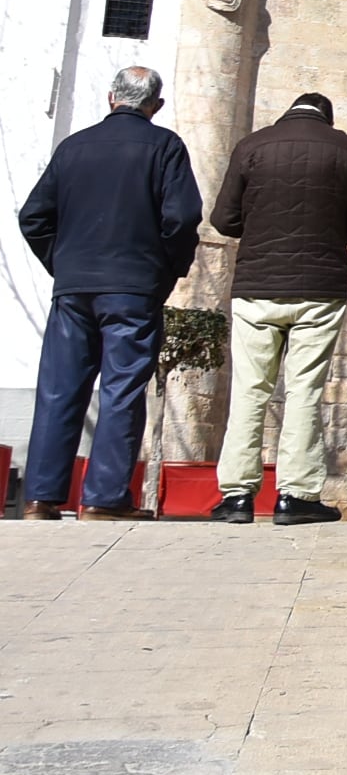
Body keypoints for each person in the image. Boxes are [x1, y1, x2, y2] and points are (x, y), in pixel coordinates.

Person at [16, 66, 203, 519]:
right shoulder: (165, 147)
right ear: (155, 106)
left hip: (75, 287)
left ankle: (40, 497)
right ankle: (103, 498)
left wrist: (62, 264)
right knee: (121, 389)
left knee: (59, 389)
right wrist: (167, 271)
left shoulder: (73, 146)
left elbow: (33, 217)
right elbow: (182, 217)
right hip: (134, 287)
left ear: (110, 98)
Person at [208, 91, 347, 526]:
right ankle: (297, 496)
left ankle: (237, 498)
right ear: (328, 118)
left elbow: (224, 220)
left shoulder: (251, 146)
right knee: (304, 390)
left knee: (250, 388)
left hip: (257, 287)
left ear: (287, 114)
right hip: (320, 289)